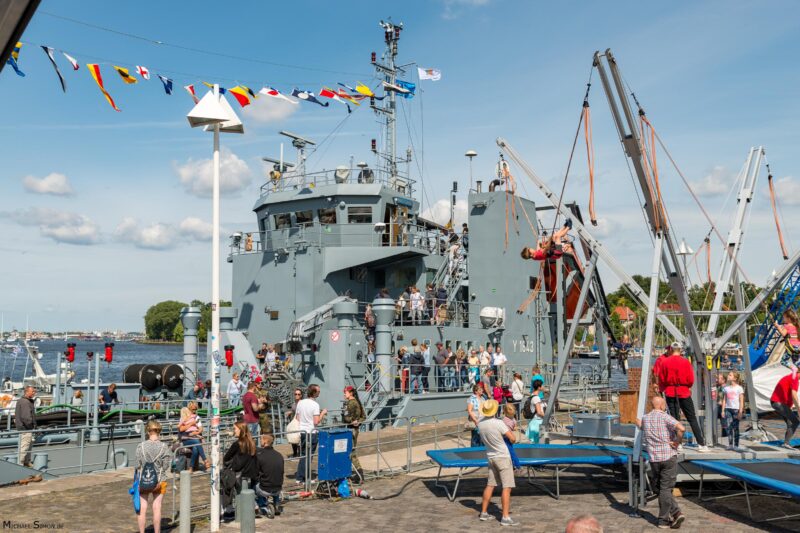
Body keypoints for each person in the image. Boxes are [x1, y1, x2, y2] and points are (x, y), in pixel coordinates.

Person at [636, 397, 686, 529]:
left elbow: (641, 426)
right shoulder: (665, 417)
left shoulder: (646, 418)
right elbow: (681, 428)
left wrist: (637, 423)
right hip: (668, 456)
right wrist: (677, 441)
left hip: (654, 459)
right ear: (662, 405)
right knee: (665, 489)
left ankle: (676, 513)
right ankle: (663, 520)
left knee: (659, 487)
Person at [656, 342, 708, 451]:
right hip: (683, 391)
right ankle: (701, 444)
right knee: (692, 418)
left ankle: (678, 444)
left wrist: (663, 389)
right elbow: (690, 379)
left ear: (671, 349)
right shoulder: (685, 362)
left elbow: (662, 379)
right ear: (680, 350)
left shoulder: (664, 362)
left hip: (670, 391)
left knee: (674, 419)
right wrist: (687, 386)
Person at [477, 399, 519, 526]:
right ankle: (505, 517)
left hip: (491, 456)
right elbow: (513, 438)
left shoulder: (480, 424)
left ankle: (484, 512)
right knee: (507, 487)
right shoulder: (498, 423)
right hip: (503, 456)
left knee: (490, 485)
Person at [135, 420, 171, 533]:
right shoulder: (164, 447)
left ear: (148, 431)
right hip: (160, 480)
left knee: (142, 508)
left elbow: (138, 465)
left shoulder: (140, 446)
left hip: (144, 480)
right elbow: (165, 466)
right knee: (157, 507)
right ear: (159, 431)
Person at [222, 421, 259, 518]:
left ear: (241, 430)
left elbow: (226, 458)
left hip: (239, 473)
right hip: (251, 473)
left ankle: (228, 509)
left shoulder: (237, 444)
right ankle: (254, 504)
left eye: (235, 429)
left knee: (226, 481)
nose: (234, 431)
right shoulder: (252, 442)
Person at [295, 384, 327, 484]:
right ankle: (306, 479)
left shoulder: (300, 403)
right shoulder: (315, 405)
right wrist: (323, 413)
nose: (319, 393)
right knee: (309, 456)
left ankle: (299, 477)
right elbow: (316, 422)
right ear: (314, 392)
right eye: (318, 391)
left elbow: (297, 418)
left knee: (303, 455)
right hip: (311, 432)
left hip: (302, 432)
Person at [255, 433, 284, 518]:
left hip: (265, 489)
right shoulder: (279, 455)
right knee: (274, 478)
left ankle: (259, 506)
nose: (260, 441)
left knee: (252, 487)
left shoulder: (260, 455)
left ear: (265, 441)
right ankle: (276, 503)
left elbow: (255, 473)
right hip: (278, 488)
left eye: (261, 439)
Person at [770, 372, 800, 450]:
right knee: (795, 422)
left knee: (790, 423)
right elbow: (794, 395)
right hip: (779, 403)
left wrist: (790, 408)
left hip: (777, 403)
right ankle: (786, 443)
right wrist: (799, 410)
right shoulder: (795, 378)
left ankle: (786, 443)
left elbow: (787, 393)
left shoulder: (791, 376)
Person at [342, 386, 366, 483]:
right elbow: (363, 416)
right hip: (355, 429)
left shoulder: (349, 403)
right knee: (350, 451)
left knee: (351, 453)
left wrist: (349, 420)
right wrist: (358, 421)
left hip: (350, 430)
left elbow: (346, 418)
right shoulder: (357, 402)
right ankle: (353, 473)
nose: (344, 394)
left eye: (345, 392)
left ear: (351, 393)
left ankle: (359, 474)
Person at [179, 402, 208, 471]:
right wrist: (191, 424)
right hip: (186, 439)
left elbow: (201, 429)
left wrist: (195, 433)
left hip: (193, 437)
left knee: (195, 448)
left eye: (195, 409)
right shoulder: (184, 417)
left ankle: (191, 467)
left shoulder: (196, 417)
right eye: (193, 409)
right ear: (189, 409)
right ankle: (205, 460)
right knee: (197, 442)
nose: (194, 411)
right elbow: (181, 429)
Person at [721, 372, 745, 450]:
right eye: (729, 375)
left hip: (735, 409)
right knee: (729, 427)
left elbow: (741, 401)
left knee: (735, 427)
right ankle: (730, 444)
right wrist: (723, 410)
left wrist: (740, 412)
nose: (728, 376)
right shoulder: (726, 388)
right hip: (728, 409)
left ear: (735, 378)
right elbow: (724, 400)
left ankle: (736, 445)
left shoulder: (739, 388)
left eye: (730, 375)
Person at [15, 386, 36, 467]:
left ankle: (26, 462)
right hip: (25, 428)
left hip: (25, 428)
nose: (34, 393)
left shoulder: (23, 401)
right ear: (27, 392)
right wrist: (31, 425)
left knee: (28, 446)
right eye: (32, 391)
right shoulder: (25, 402)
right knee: (24, 447)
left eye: (34, 391)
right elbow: (26, 418)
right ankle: (20, 464)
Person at [775, 309, 800, 378]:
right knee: (796, 361)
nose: (783, 319)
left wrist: (777, 327)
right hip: (798, 347)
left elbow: (783, 334)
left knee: (783, 361)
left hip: (791, 348)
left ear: (788, 318)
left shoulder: (787, 326)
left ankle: (794, 369)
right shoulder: (797, 326)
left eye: (784, 318)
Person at [527, 379, 546, 444]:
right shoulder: (536, 398)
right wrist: (547, 416)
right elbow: (539, 412)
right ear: (539, 387)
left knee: (533, 442)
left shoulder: (532, 395)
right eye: (542, 385)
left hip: (533, 421)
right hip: (537, 422)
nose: (543, 387)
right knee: (539, 442)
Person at [286, 388, 303, 457]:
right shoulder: (294, 403)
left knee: (298, 439)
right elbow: (294, 410)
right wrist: (290, 412)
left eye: (298, 394)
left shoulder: (302, 403)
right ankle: (295, 453)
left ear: (301, 395)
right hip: (294, 422)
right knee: (293, 437)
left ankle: (300, 454)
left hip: (300, 423)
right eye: (295, 394)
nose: (297, 395)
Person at [254, 376, 273, 440]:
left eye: (261, 383)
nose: (260, 384)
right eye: (259, 383)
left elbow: (270, 402)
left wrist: (266, 401)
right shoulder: (252, 392)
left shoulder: (265, 392)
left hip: (263, 414)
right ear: (256, 383)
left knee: (266, 431)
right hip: (254, 414)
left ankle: (265, 443)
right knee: (253, 431)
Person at [714, 373, 728, 438]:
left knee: (724, 423)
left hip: (723, 407)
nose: (716, 380)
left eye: (718, 378)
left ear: (723, 380)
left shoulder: (726, 388)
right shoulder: (719, 387)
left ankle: (725, 437)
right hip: (718, 406)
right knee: (722, 423)